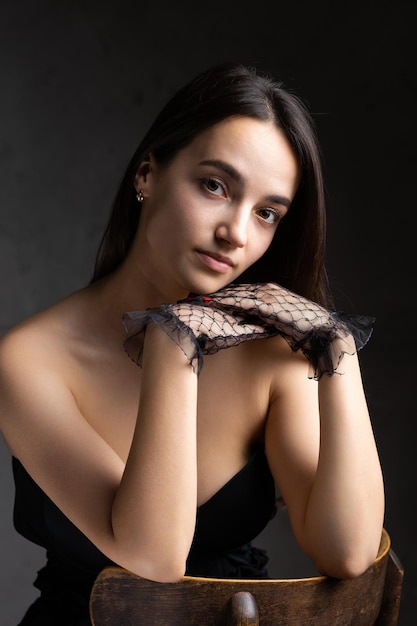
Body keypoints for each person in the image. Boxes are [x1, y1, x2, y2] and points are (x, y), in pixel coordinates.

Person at [0, 62, 384, 625]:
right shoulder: (29, 361)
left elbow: (348, 551)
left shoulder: (272, 356)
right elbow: (154, 556)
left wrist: (337, 349)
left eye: (267, 213)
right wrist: (173, 344)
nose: (237, 232)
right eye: (214, 185)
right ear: (147, 174)